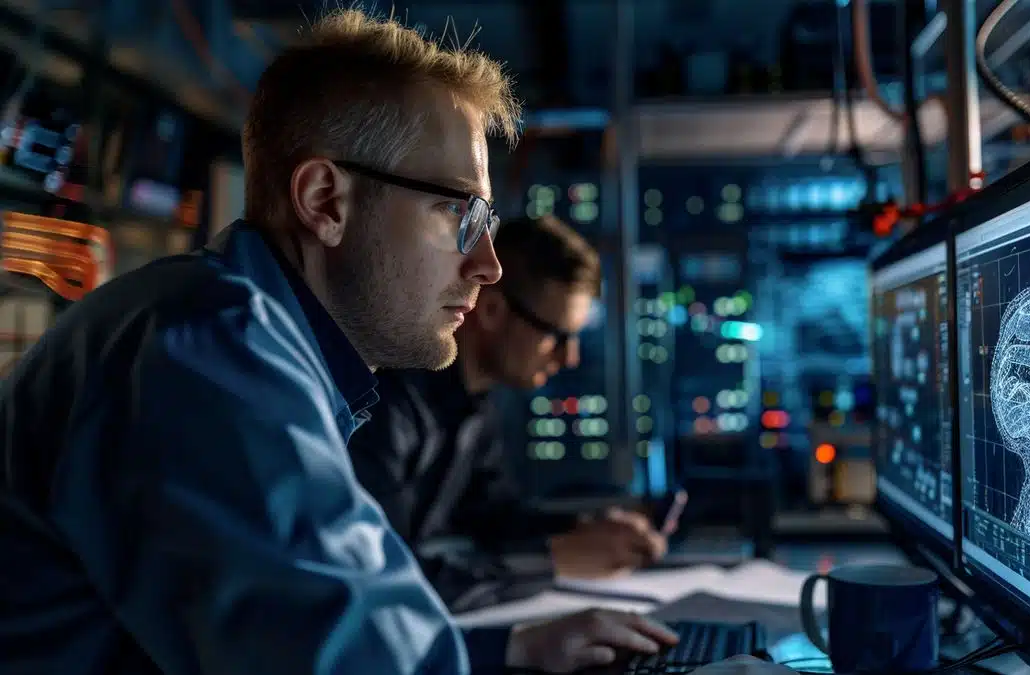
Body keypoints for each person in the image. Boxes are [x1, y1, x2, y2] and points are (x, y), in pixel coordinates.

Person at [0, 9, 680, 675]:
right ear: (326, 201)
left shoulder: (238, 334)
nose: (488, 266)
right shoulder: (211, 345)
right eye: (458, 212)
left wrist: (508, 652)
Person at [348, 214, 668, 605]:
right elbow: (379, 577)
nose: (570, 358)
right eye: (557, 336)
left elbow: (494, 514)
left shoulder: (475, 407)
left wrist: (586, 530)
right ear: (492, 311)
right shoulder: (389, 407)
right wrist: (553, 560)